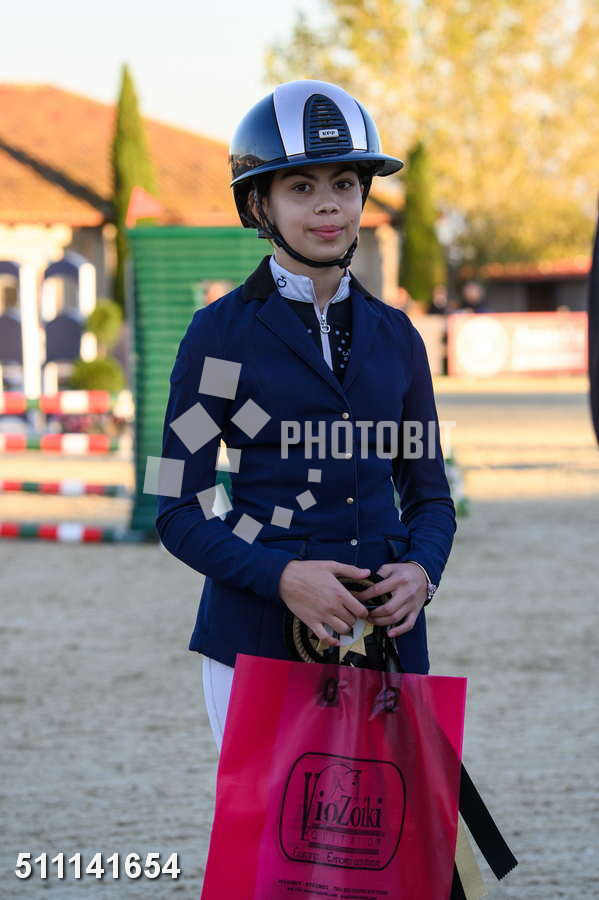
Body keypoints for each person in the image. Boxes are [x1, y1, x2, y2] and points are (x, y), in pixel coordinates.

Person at [155, 80, 457, 752]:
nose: (328, 204)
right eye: (300, 187)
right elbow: (176, 507)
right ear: (258, 204)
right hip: (257, 637)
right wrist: (282, 578)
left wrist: (422, 570)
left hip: (387, 640)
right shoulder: (218, 336)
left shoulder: (398, 338)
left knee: (391, 824)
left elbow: (430, 496)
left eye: (344, 184)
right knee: (273, 827)